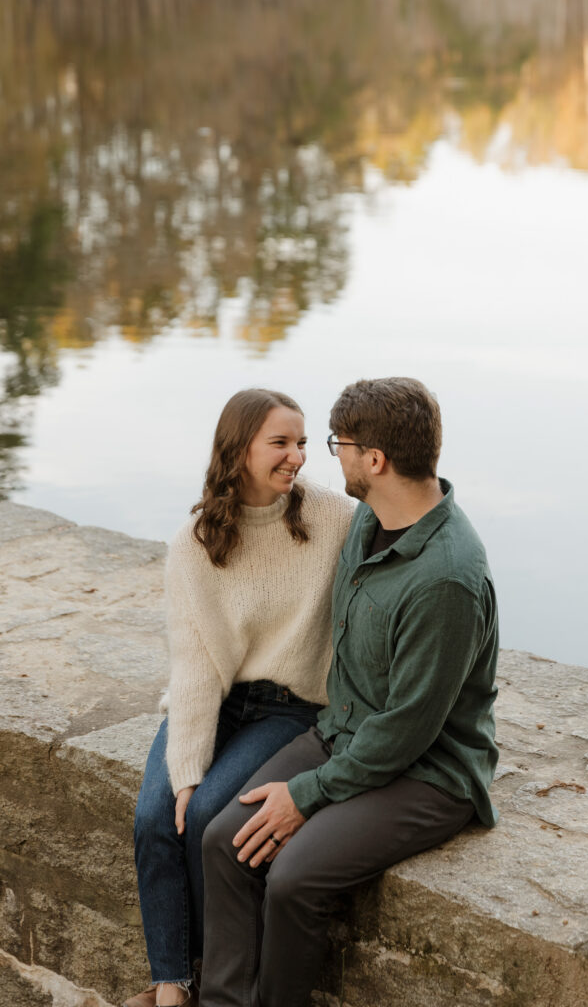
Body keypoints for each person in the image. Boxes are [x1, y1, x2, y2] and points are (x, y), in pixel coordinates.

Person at [199, 377, 500, 1007]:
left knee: (293, 879)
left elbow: (409, 730)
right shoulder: (369, 518)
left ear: (375, 460)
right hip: (342, 733)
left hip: (428, 772)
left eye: (338, 443)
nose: (327, 454)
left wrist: (306, 795)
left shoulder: (446, 579)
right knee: (224, 843)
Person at [125, 389, 354, 1007]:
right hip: (216, 701)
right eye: (281, 443)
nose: (298, 457)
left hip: (289, 707)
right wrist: (188, 769)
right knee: (157, 818)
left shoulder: (335, 519)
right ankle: (173, 985)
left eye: (303, 443)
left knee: (206, 823)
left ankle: (211, 975)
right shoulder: (195, 540)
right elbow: (195, 663)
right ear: (240, 449)